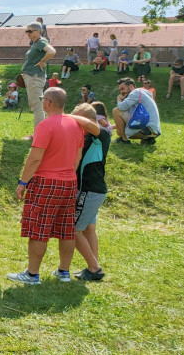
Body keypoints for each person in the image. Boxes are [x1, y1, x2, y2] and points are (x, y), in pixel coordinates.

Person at [8, 87, 85, 285]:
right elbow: (77, 157)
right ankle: (63, 272)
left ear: (48, 103)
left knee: (38, 229)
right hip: (69, 182)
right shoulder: (76, 125)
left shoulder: (45, 125)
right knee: (66, 228)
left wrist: (23, 183)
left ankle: (32, 274)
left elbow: (34, 158)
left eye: (43, 99)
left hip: (46, 182)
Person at [68, 103, 110, 281]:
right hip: (92, 190)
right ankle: (94, 265)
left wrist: (64, 116)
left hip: (89, 190)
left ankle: (94, 268)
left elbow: (91, 124)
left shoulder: (102, 134)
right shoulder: (87, 136)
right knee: (89, 228)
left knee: (72, 229)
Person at [21, 22, 56, 138]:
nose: (28, 33)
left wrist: (42, 61)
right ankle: (40, 133)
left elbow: (51, 51)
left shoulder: (41, 42)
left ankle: (38, 135)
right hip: (32, 76)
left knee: (37, 106)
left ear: (38, 31)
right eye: (27, 31)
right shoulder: (36, 43)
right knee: (37, 105)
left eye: (30, 31)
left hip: (35, 77)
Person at [112, 77, 161, 145]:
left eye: (122, 89)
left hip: (147, 128)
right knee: (119, 131)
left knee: (116, 111)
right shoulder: (143, 93)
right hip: (153, 129)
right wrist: (112, 127)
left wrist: (119, 99)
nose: (121, 92)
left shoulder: (135, 92)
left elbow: (122, 107)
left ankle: (124, 140)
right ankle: (147, 139)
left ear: (131, 86)